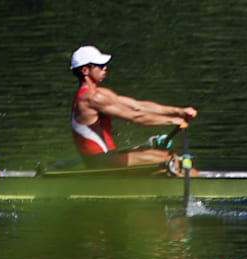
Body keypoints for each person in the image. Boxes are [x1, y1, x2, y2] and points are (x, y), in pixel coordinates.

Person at [67, 46, 196, 171]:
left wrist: (180, 111)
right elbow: (136, 118)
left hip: (110, 156)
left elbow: (138, 106)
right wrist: (173, 121)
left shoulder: (101, 93)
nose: (105, 68)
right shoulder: (90, 99)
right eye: (100, 65)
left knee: (169, 156)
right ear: (85, 71)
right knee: (170, 160)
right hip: (102, 162)